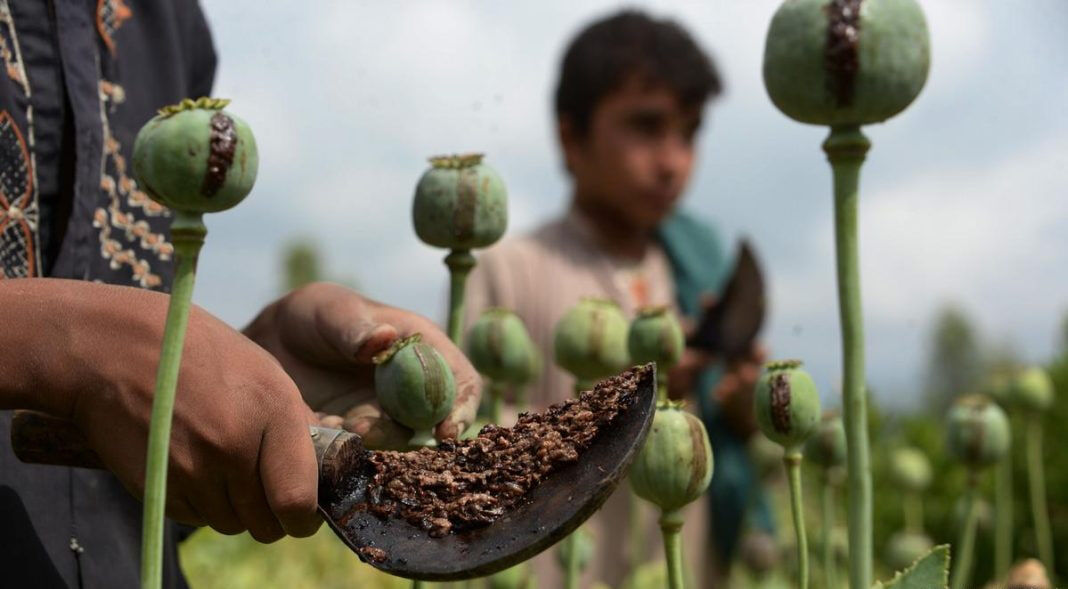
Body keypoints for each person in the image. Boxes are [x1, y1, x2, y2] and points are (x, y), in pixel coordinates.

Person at [0, 2, 478, 586]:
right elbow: (101, 355)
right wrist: (65, 342)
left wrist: (255, 369)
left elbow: (131, 429)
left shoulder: (171, 21)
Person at [465, 10, 773, 587]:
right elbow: (471, 446)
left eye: (688, 132)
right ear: (571, 137)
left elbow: (731, 454)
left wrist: (740, 409)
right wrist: (631, 395)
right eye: (646, 127)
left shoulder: (694, 271)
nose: (672, 161)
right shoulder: (510, 272)